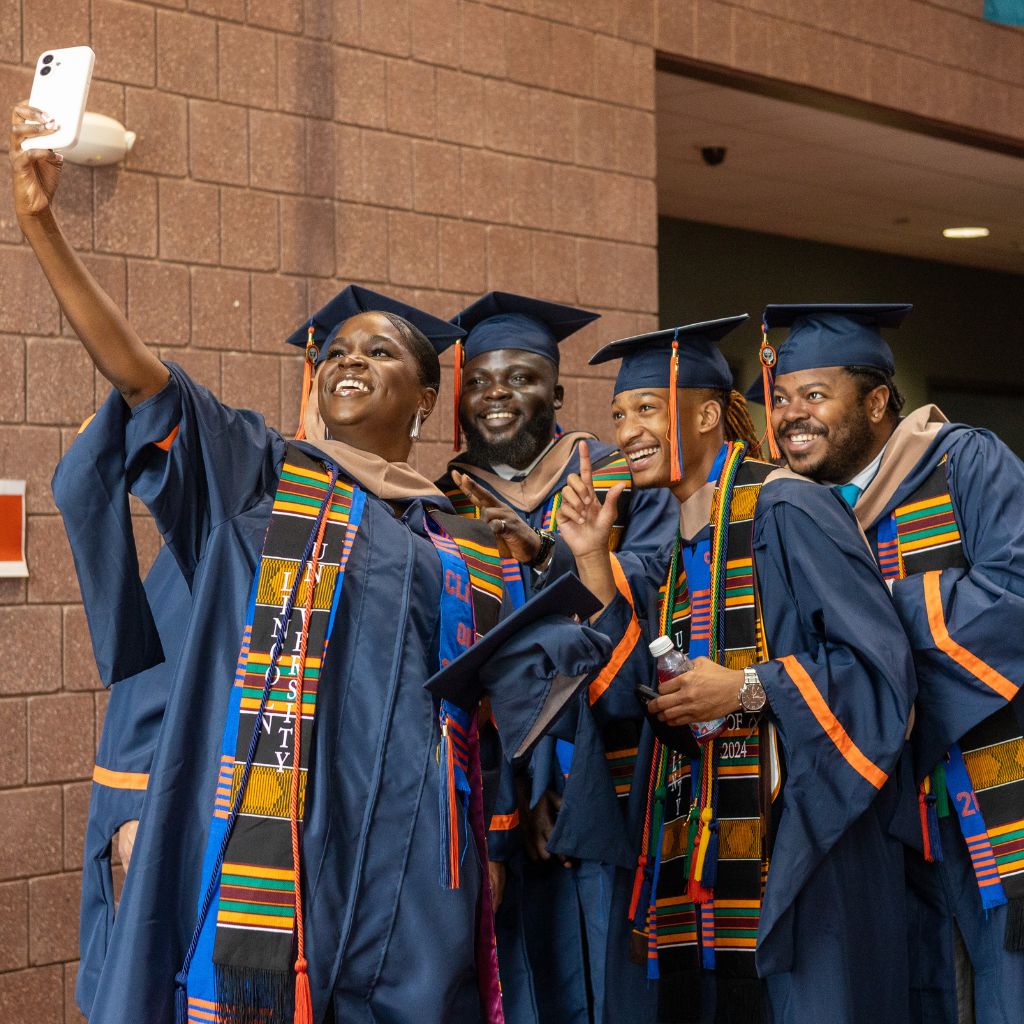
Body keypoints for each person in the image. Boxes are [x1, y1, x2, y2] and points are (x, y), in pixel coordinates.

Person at [12, 103, 616, 1024]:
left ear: (427, 398)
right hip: (284, 850)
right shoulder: (261, 481)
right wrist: (42, 228)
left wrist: (584, 568)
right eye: (335, 351)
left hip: (422, 873)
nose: (348, 361)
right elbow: (141, 378)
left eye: (380, 351)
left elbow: (511, 710)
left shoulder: (467, 539)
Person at [556, 316, 917, 1023]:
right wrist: (592, 557)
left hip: (800, 846)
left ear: (707, 415)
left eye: (646, 407)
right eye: (618, 414)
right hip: (705, 844)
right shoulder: (685, 543)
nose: (626, 431)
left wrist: (748, 688)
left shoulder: (789, 506)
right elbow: (631, 695)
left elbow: (877, 670)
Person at [760, 303, 1024, 1024]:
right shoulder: (799, 511)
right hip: (888, 808)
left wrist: (870, 620)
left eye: (815, 395)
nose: (790, 415)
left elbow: (1013, 594)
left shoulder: (964, 460)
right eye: (781, 398)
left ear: (877, 402)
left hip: (994, 778)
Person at [433, 291, 677, 1024]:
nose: (497, 394)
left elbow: (657, 598)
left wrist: (547, 556)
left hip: (610, 776)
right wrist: (512, 791)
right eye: (480, 380)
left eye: (521, 377)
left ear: (559, 393)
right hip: (489, 791)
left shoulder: (620, 481)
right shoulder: (439, 502)